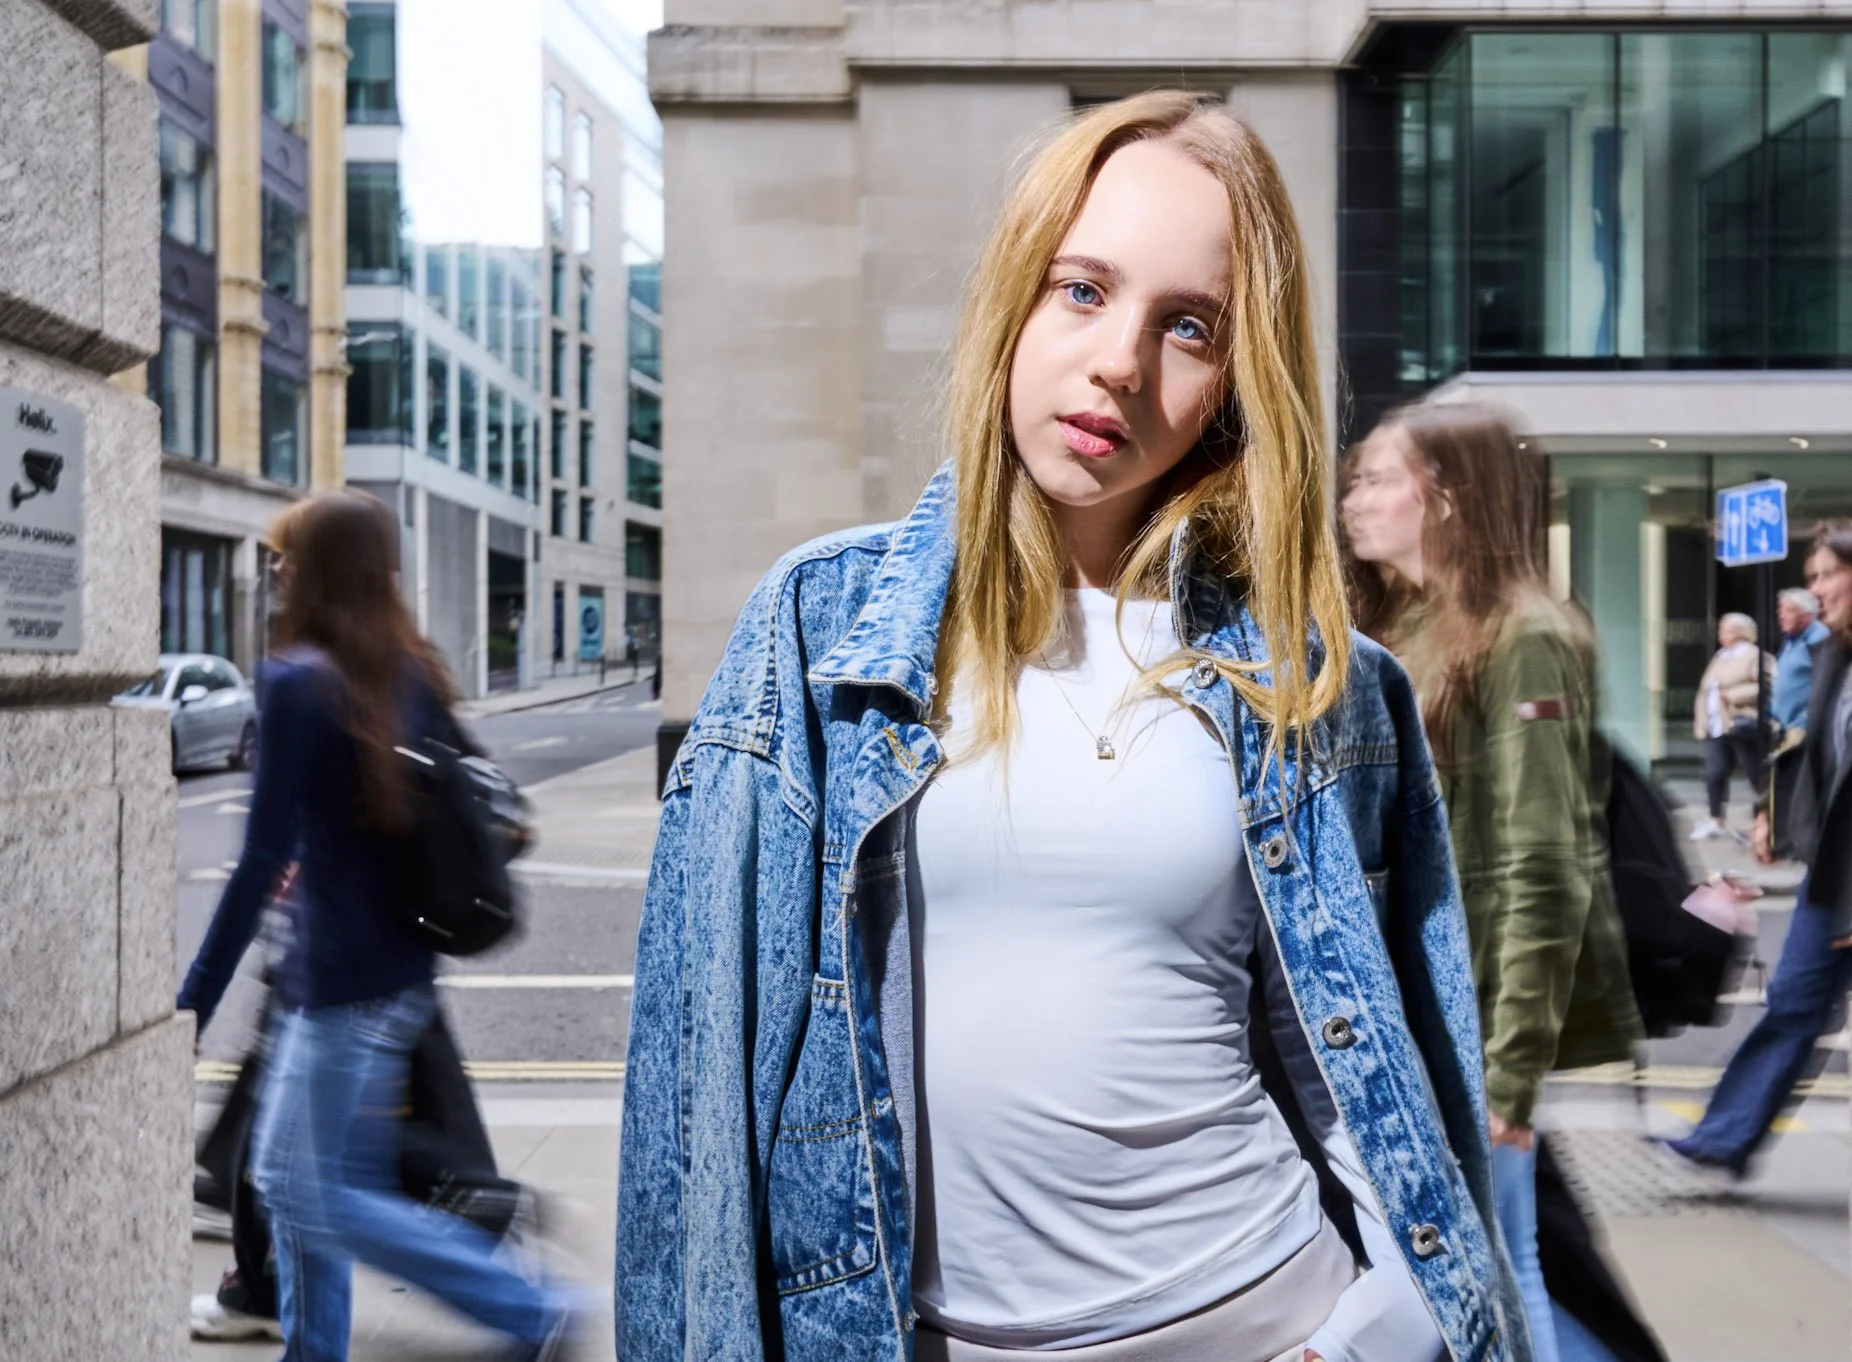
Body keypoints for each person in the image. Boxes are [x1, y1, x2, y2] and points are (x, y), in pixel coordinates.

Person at [618, 92, 1524, 1362]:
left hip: (1264, 1318)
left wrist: (1379, 1333)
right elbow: (692, 1109)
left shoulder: (1322, 677)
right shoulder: (817, 630)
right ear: (1012, 303)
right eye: (1081, 289)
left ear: (1230, 384)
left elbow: (1366, 1062)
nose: (1118, 362)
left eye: (1188, 325)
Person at [175, 491, 578, 1362]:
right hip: (395, 977)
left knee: (321, 1194)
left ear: (315, 568)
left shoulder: (296, 682)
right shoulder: (408, 667)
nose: (276, 569)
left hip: (337, 989)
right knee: (291, 1179)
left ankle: (530, 1309)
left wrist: (193, 1001)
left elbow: (257, 862)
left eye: (285, 555)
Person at [1339, 404, 1644, 1362]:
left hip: (1470, 1025)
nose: (1357, 500)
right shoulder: (1405, 625)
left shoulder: (1525, 638)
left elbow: (1546, 867)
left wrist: (1508, 1078)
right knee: (1476, 1265)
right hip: (1419, 1008)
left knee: (1504, 1265)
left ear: (1450, 498)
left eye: (1381, 479)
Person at [1663, 521, 1852, 1180]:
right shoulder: (1840, 655)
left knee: (1833, 1012)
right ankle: (1723, 1137)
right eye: (1813, 574)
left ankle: (1727, 1138)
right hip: (1837, 870)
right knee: (1795, 1003)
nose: (1816, 588)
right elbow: (1814, 755)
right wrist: (1774, 816)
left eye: (1830, 573)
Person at [1691, 614, 1773, 842]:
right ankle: (1715, 820)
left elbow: (1767, 685)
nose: (1720, 634)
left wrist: (1732, 695)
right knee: (1714, 774)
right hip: (1718, 726)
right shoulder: (1720, 656)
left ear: (1738, 632)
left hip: (1743, 725)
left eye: (1724, 630)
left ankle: (1767, 822)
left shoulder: (1754, 655)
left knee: (1757, 776)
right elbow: (1707, 689)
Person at [1771, 588, 1828, 735]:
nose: (1781, 617)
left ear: (1807, 614)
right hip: (1785, 727)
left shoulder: (1818, 637)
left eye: (1788, 611)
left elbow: (1826, 683)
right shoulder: (1790, 641)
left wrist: (1806, 719)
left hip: (1805, 727)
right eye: (1780, 611)